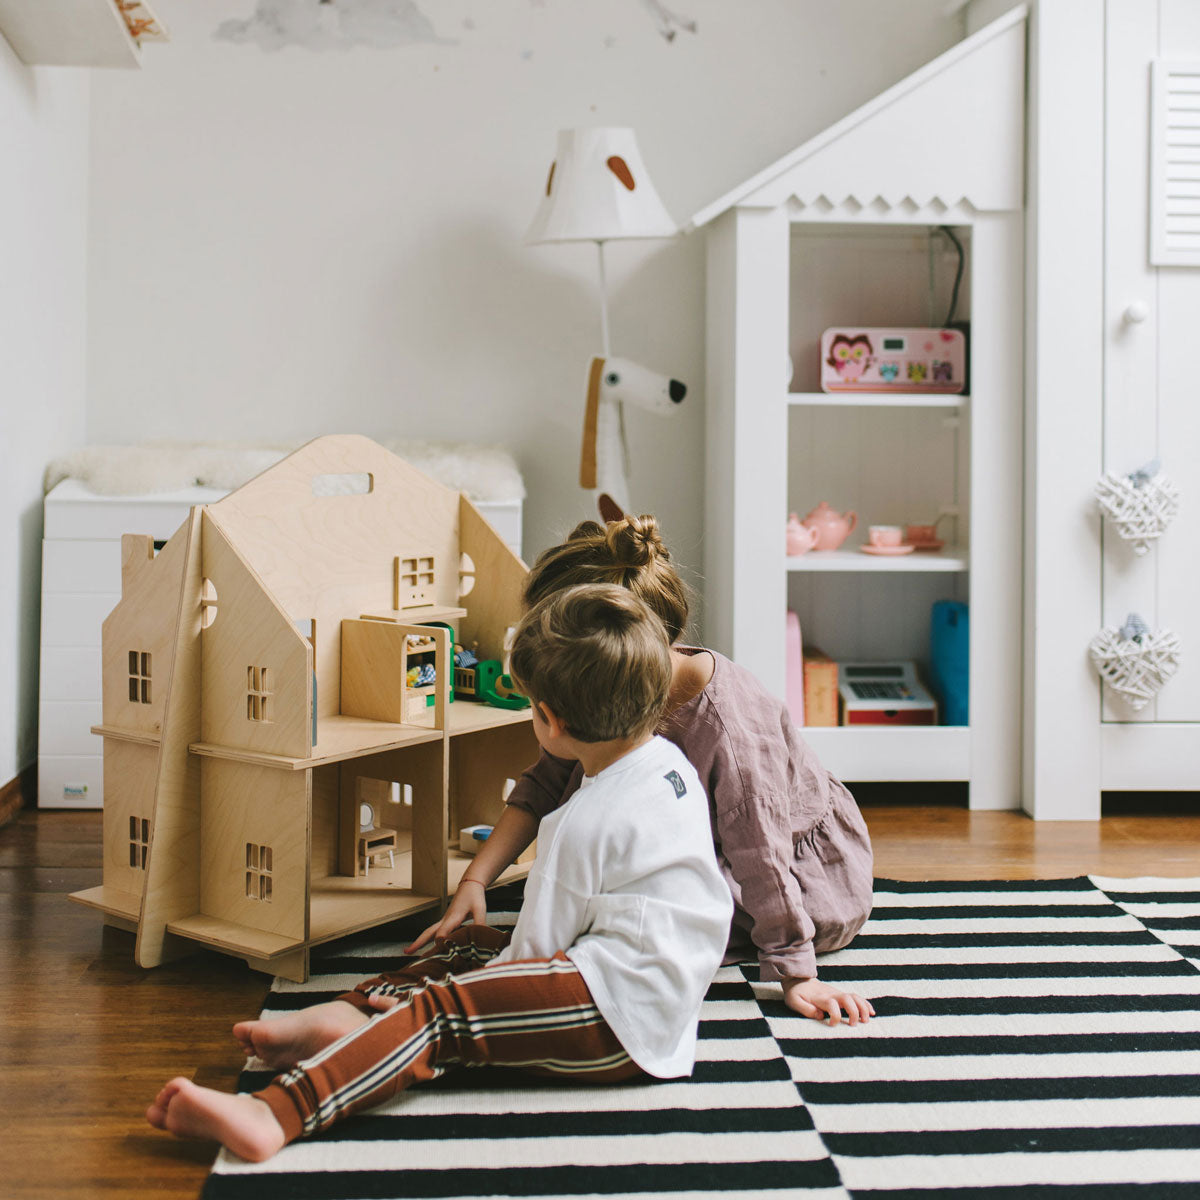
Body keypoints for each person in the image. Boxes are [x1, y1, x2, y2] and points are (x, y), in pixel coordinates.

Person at [146, 583, 734, 1163]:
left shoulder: (584, 822)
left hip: (619, 1021)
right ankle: (356, 1016)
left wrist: (461, 996)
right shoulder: (666, 765)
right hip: (646, 985)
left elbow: (534, 953)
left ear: (550, 720)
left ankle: (276, 1113)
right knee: (469, 945)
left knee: (441, 1014)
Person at [414, 515, 875, 1027]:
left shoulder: (732, 726)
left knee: (646, 931)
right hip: (697, 845)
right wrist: (477, 879)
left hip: (791, 875)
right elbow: (546, 779)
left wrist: (797, 973)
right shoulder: (606, 687)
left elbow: (762, 853)